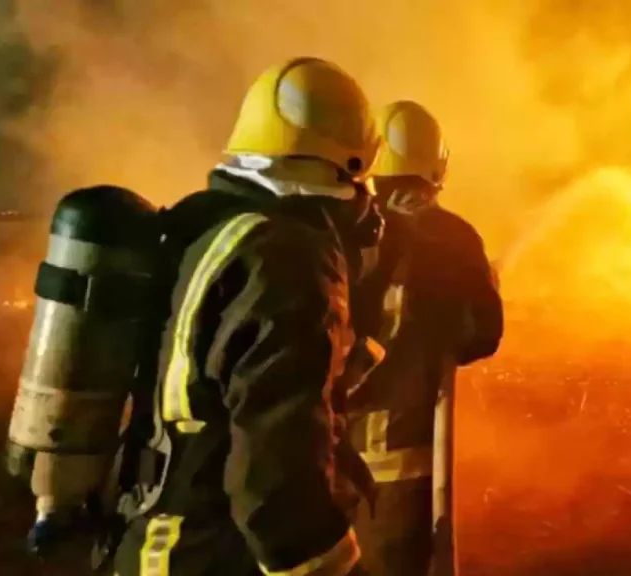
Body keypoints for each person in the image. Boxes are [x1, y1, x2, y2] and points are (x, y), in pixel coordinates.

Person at [109, 56, 384, 576]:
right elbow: (278, 483)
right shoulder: (288, 257)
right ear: (348, 165)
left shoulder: (206, 227)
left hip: (152, 541)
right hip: (214, 555)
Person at [340, 100, 504, 576]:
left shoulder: (340, 226)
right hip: (401, 466)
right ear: (436, 165)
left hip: (326, 457)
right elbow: (482, 336)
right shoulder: (449, 236)